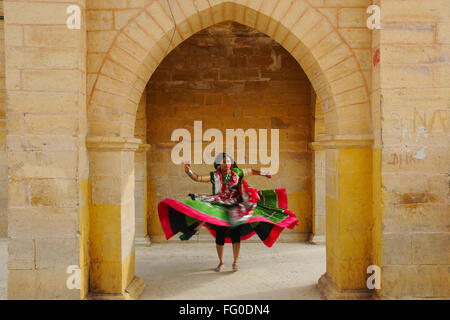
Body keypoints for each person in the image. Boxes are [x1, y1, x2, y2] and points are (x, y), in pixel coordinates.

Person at [157, 152, 299, 272]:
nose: (227, 164)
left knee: (235, 234)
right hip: (219, 206)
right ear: (219, 165)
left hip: (236, 208)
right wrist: (188, 170)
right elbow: (197, 178)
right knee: (219, 234)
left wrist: (265, 173)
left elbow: (252, 171)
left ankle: (235, 262)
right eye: (223, 162)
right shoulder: (215, 175)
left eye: (229, 161)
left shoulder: (237, 172)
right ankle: (221, 262)